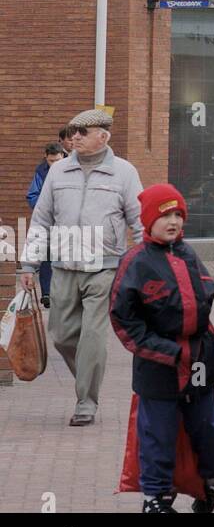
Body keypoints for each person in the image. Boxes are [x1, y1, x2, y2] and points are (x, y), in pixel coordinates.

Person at [20, 109, 144, 426]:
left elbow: (140, 221)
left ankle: (86, 402)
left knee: (92, 337)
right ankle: (87, 378)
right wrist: (28, 265)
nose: (74, 137)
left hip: (105, 268)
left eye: (82, 132)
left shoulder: (124, 173)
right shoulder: (58, 172)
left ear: (103, 135)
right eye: (73, 131)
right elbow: (42, 219)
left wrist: (147, 263)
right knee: (61, 335)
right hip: (63, 267)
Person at [109, 184, 214, 513]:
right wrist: (165, 350)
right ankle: (157, 498)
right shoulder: (135, 261)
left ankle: (210, 483)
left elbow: (205, 295)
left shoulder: (189, 253)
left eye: (178, 214)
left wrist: (203, 347)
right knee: (157, 435)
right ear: (148, 220)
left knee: (209, 428)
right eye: (166, 215)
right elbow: (123, 320)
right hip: (157, 366)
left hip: (200, 362)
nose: (174, 221)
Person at [26, 142, 64, 308]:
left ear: (63, 155)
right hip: (48, 222)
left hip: (66, 222)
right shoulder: (41, 172)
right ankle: (47, 294)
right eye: (51, 161)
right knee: (47, 258)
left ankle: (62, 294)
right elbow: (32, 195)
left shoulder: (73, 170)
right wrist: (43, 208)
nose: (54, 164)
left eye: (57, 160)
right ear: (46, 158)